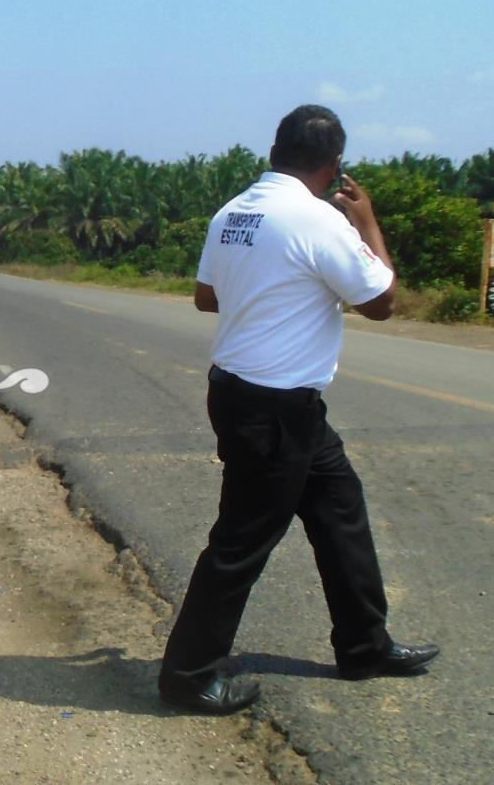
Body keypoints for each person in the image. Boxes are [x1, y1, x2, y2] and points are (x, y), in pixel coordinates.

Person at [158, 105, 439, 714]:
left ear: (276, 149)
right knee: (240, 543)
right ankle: (187, 677)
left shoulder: (234, 211)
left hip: (262, 400)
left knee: (342, 515)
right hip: (273, 410)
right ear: (334, 165)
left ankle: (365, 646)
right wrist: (366, 223)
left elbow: (207, 298)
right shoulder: (317, 220)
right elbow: (383, 301)